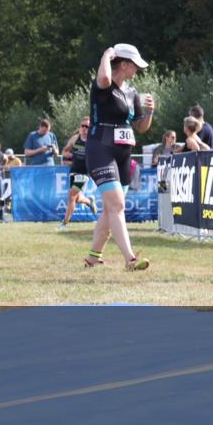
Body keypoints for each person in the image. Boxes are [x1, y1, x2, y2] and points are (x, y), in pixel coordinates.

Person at [84, 44, 154, 270]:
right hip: (100, 149)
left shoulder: (132, 92)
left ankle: (93, 257)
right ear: (123, 64)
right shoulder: (103, 85)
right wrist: (106, 54)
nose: (137, 70)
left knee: (110, 209)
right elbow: (105, 77)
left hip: (123, 154)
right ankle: (130, 260)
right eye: (134, 65)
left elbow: (141, 127)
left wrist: (150, 112)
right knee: (117, 205)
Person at [59, 117, 98, 230]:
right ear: (80, 127)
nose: (84, 128)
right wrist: (67, 154)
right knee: (76, 199)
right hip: (73, 171)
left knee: (71, 196)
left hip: (84, 173)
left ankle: (64, 224)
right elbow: (65, 150)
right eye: (82, 126)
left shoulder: (93, 141)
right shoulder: (75, 139)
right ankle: (89, 201)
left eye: (87, 126)